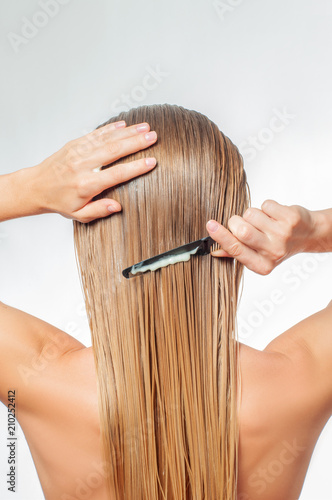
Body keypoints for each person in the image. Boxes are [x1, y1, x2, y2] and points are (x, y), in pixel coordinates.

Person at [0, 105, 331, 500]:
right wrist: (315, 231)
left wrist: (31, 188)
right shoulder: (300, 380)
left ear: (92, 232)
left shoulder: (38, 378)